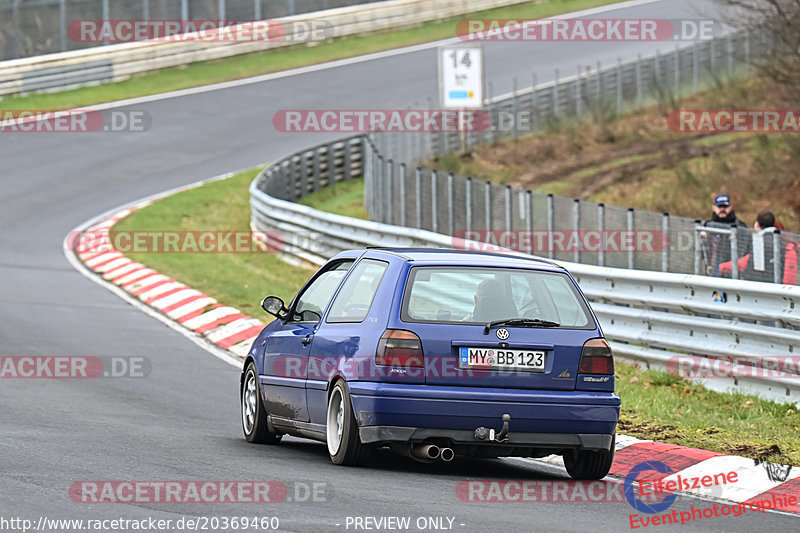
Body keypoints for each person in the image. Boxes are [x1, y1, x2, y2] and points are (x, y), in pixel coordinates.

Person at [718, 211, 799, 284]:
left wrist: (722, 267)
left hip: (757, 287)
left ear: (757, 224)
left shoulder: (758, 241)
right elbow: (789, 275)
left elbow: (746, 262)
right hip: (777, 291)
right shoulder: (786, 242)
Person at [701, 194, 749, 276]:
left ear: (731, 207)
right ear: (714, 208)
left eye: (725, 206)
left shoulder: (740, 227)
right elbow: (704, 249)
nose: (722, 209)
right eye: (720, 206)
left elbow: (745, 251)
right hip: (714, 268)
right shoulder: (707, 226)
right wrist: (708, 264)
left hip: (733, 270)